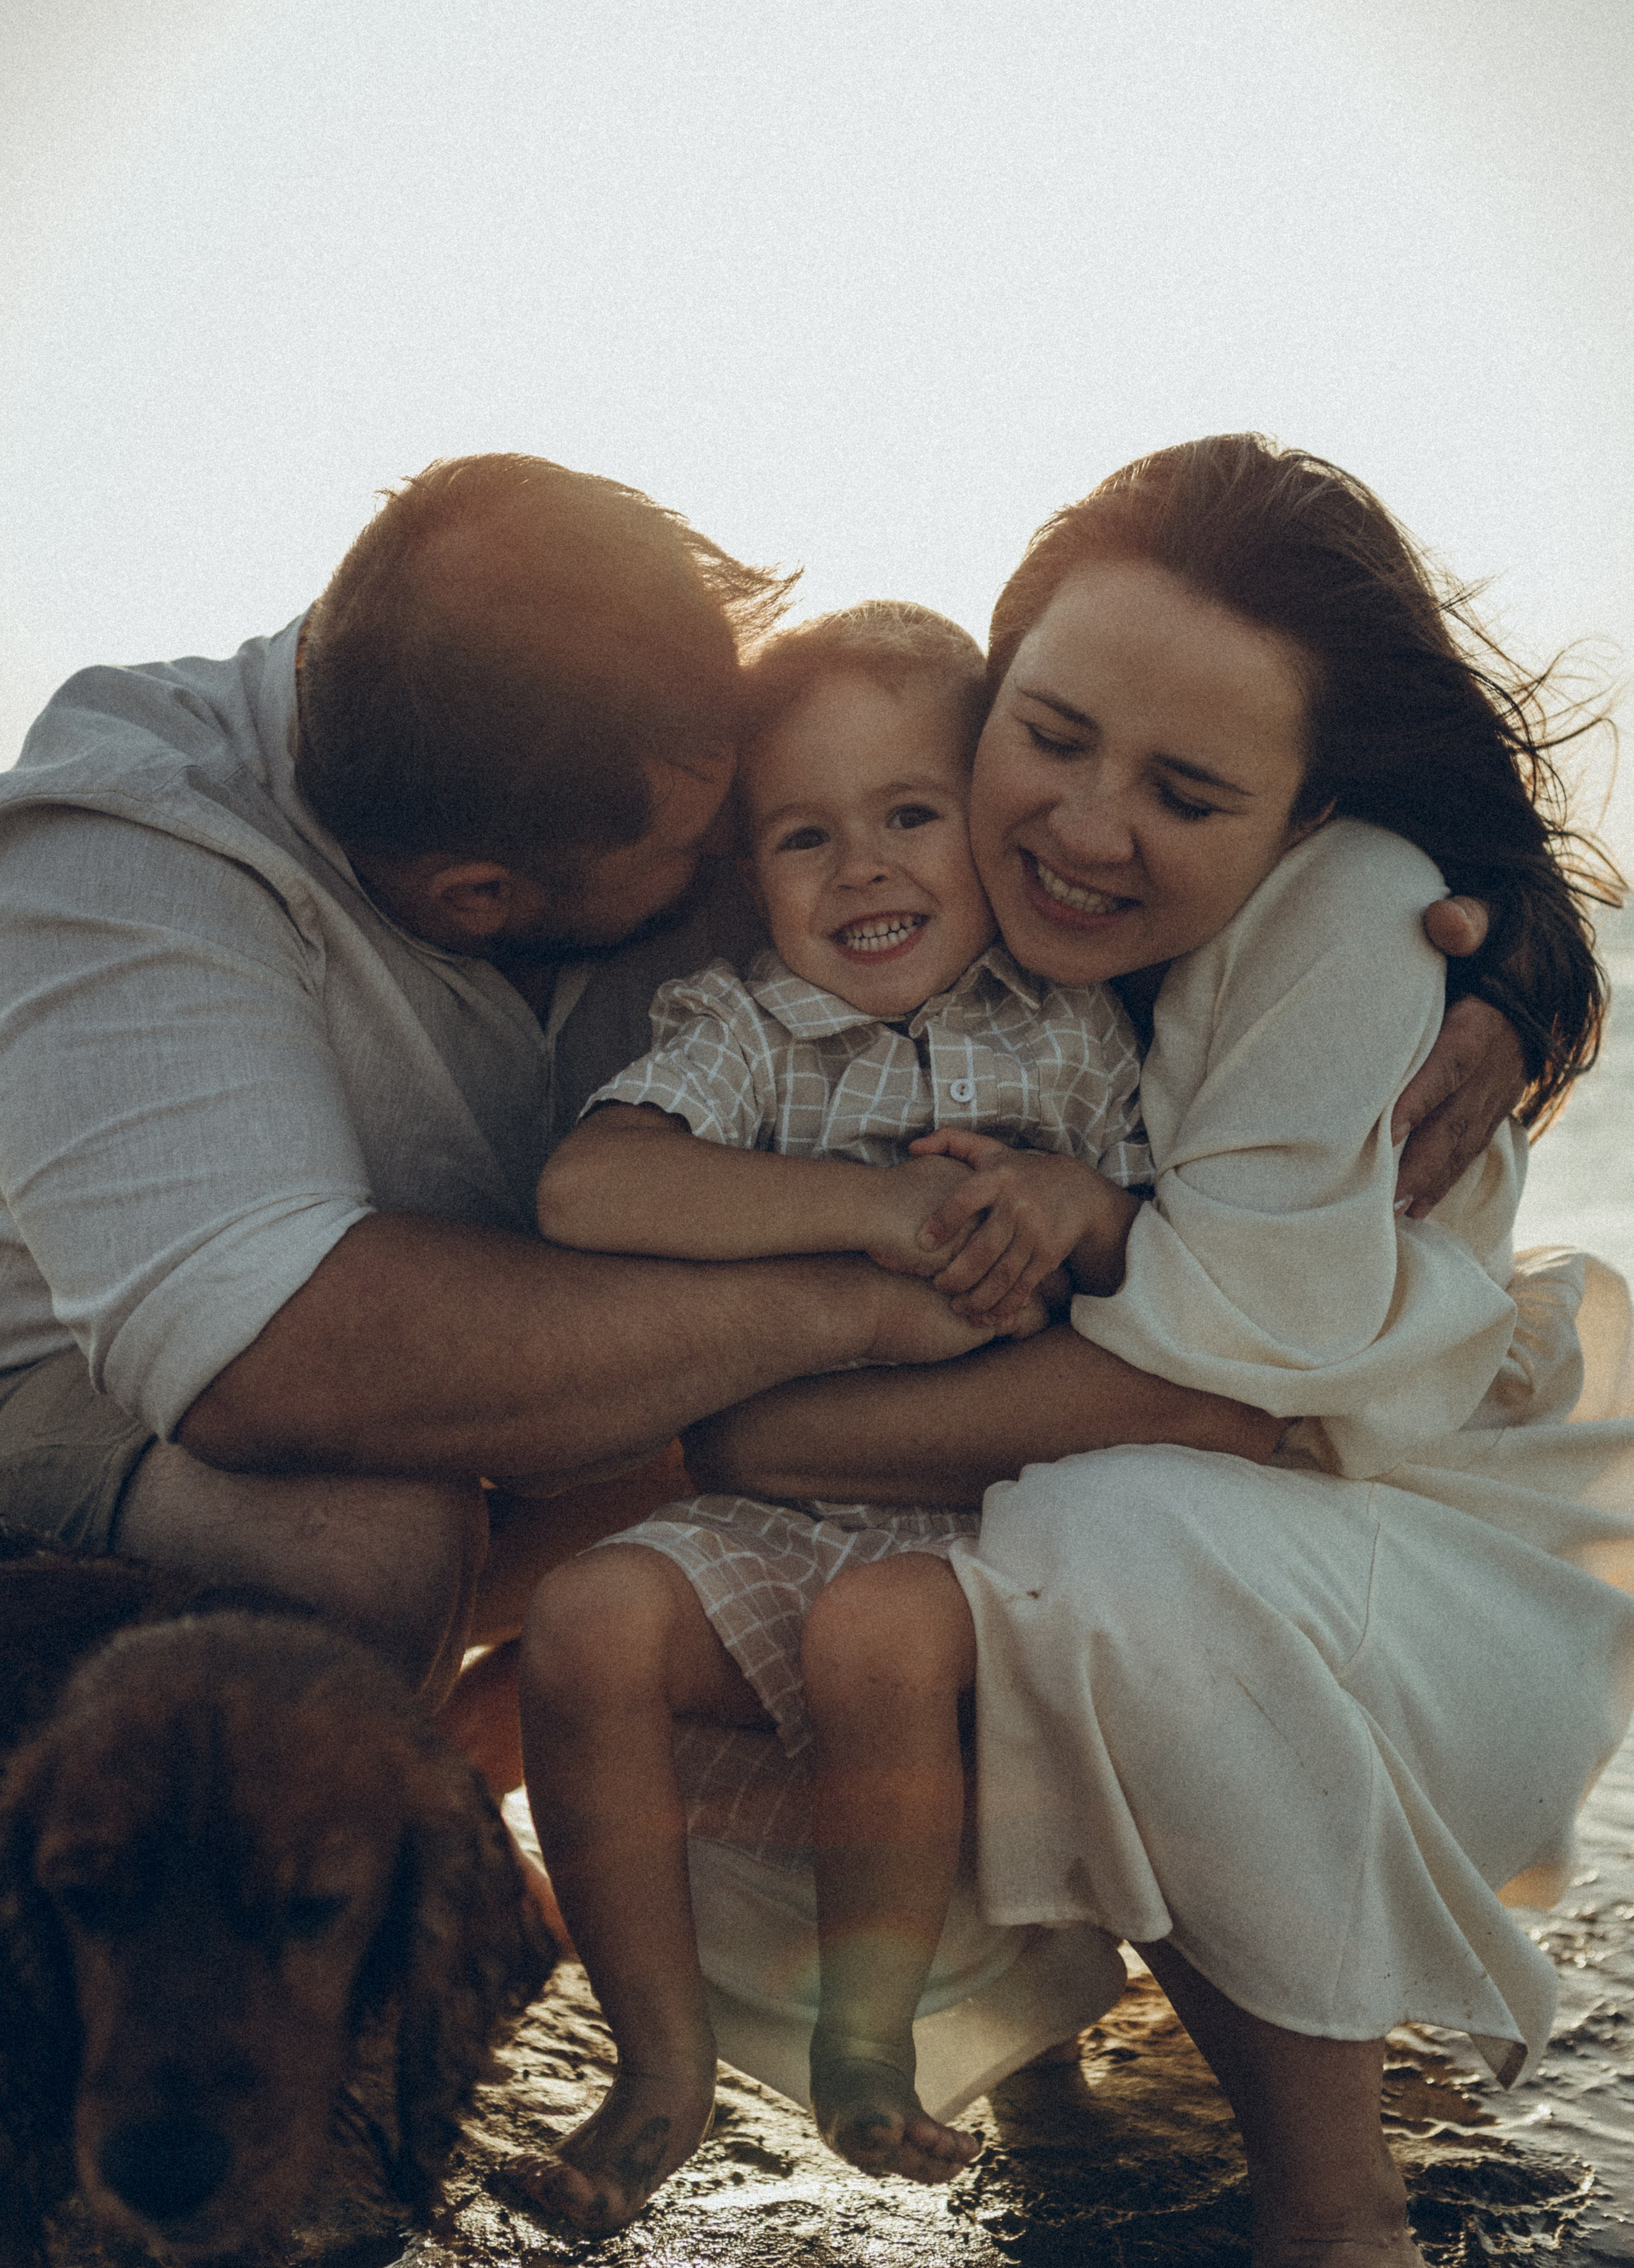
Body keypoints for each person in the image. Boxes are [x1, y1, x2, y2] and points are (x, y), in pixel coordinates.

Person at [678, 434, 1633, 2268]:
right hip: (1219, 1516)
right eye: (1054, 734)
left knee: (1105, 1539)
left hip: (1404, 1566)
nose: (1085, 827)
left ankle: (1342, 2238)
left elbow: (1214, 1384)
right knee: (840, 1601)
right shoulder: (928, 862)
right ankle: (1065, 2037)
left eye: (1188, 795)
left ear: (1311, 807)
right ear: (988, 683)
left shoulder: (1369, 915)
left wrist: (765, 1419)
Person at [0, 451, 1521, 1705]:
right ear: (480, 898)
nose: (772, 851)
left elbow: (1203, 753)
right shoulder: (131, 839)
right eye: (713, 844)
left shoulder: (655, 749)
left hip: (543, 1329)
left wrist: (1518, 969)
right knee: (368, 1544)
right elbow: (279, 1362)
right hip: (72, 1380)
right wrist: (858, 1294)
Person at [517, 599, 1244, 2228]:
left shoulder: (1077, 1035)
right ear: (748, 873)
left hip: (997, 1534)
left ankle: (867, 2046)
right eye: (804, 836)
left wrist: (1071, 1206)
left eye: (909, 816)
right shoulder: (742, 1032)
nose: (861, 871)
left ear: (988, 828)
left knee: (876, 1638)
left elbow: (1188, 1267)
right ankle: (658, 2066)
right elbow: (592, 1183)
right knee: (581, 1621)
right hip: (768, 1521)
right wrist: (856, 1219)